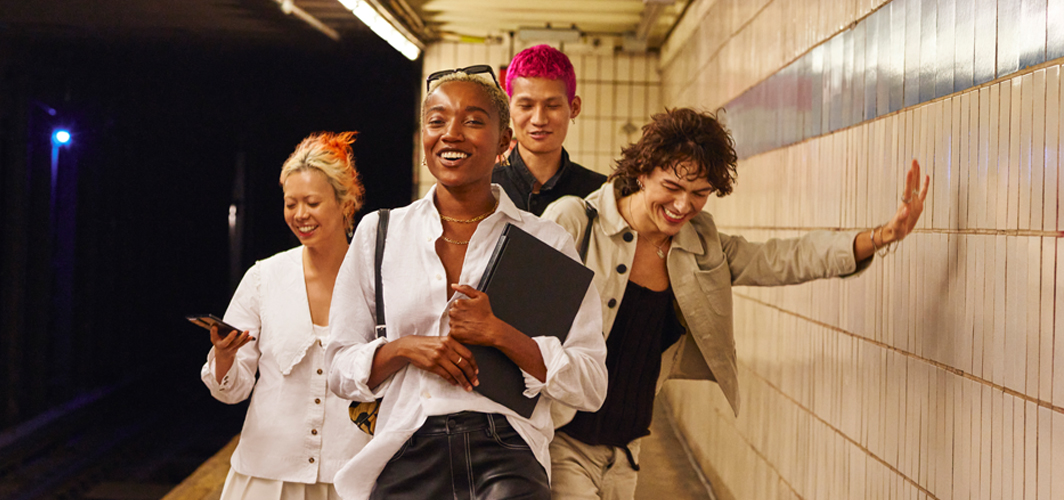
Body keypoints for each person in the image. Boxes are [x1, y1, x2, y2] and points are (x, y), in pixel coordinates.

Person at [541, 107, 929, 500]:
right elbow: (519, 316)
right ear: (642, 171)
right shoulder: (576, 223)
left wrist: (880, 236)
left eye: (699, 193)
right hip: (563, 441)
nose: (682, 205)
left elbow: (780, 259)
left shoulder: (699, 246)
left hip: (626, 452)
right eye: (671, 186)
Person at [325, 67, 608, 500]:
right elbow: (339, 368)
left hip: (508, 448)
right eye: (437, 121)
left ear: (504, 144)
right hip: (405, 447)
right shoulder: (379, 234)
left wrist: (501, 335)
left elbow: (591, 385)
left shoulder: (545, 241)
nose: (451, 134)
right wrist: (404, 348)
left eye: (473, 121)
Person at [200, 132, 370, 500]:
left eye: (312, 202)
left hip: (353, 474)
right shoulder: (264, 278)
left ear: (346, 202)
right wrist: (226, 358)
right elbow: (234, 389)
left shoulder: (377, 277)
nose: (300, 215)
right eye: (290, 203)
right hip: (267, 477)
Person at [492, 44, 607, 215]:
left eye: (552, 106)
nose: (539, 119)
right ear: (508, 108)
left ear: (574, 108)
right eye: (526, 106)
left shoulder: (599, 195)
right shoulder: (483, 188)